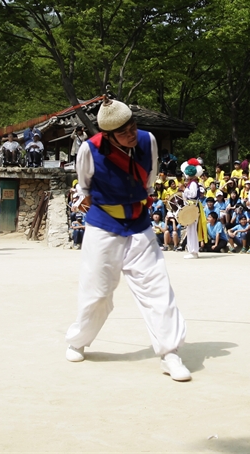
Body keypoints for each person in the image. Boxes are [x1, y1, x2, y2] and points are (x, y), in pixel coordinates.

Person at [64, 98, 190, 382]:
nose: (132, 133)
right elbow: (84, 187)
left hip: (139, 225)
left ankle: (170, 352)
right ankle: (78, 340)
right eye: (124, 132)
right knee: (97, 292)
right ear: (108, 135)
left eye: (133, 126)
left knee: (158, 289)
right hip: (103, 227)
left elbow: (149, 181)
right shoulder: (89, 150)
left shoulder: (148, 141)